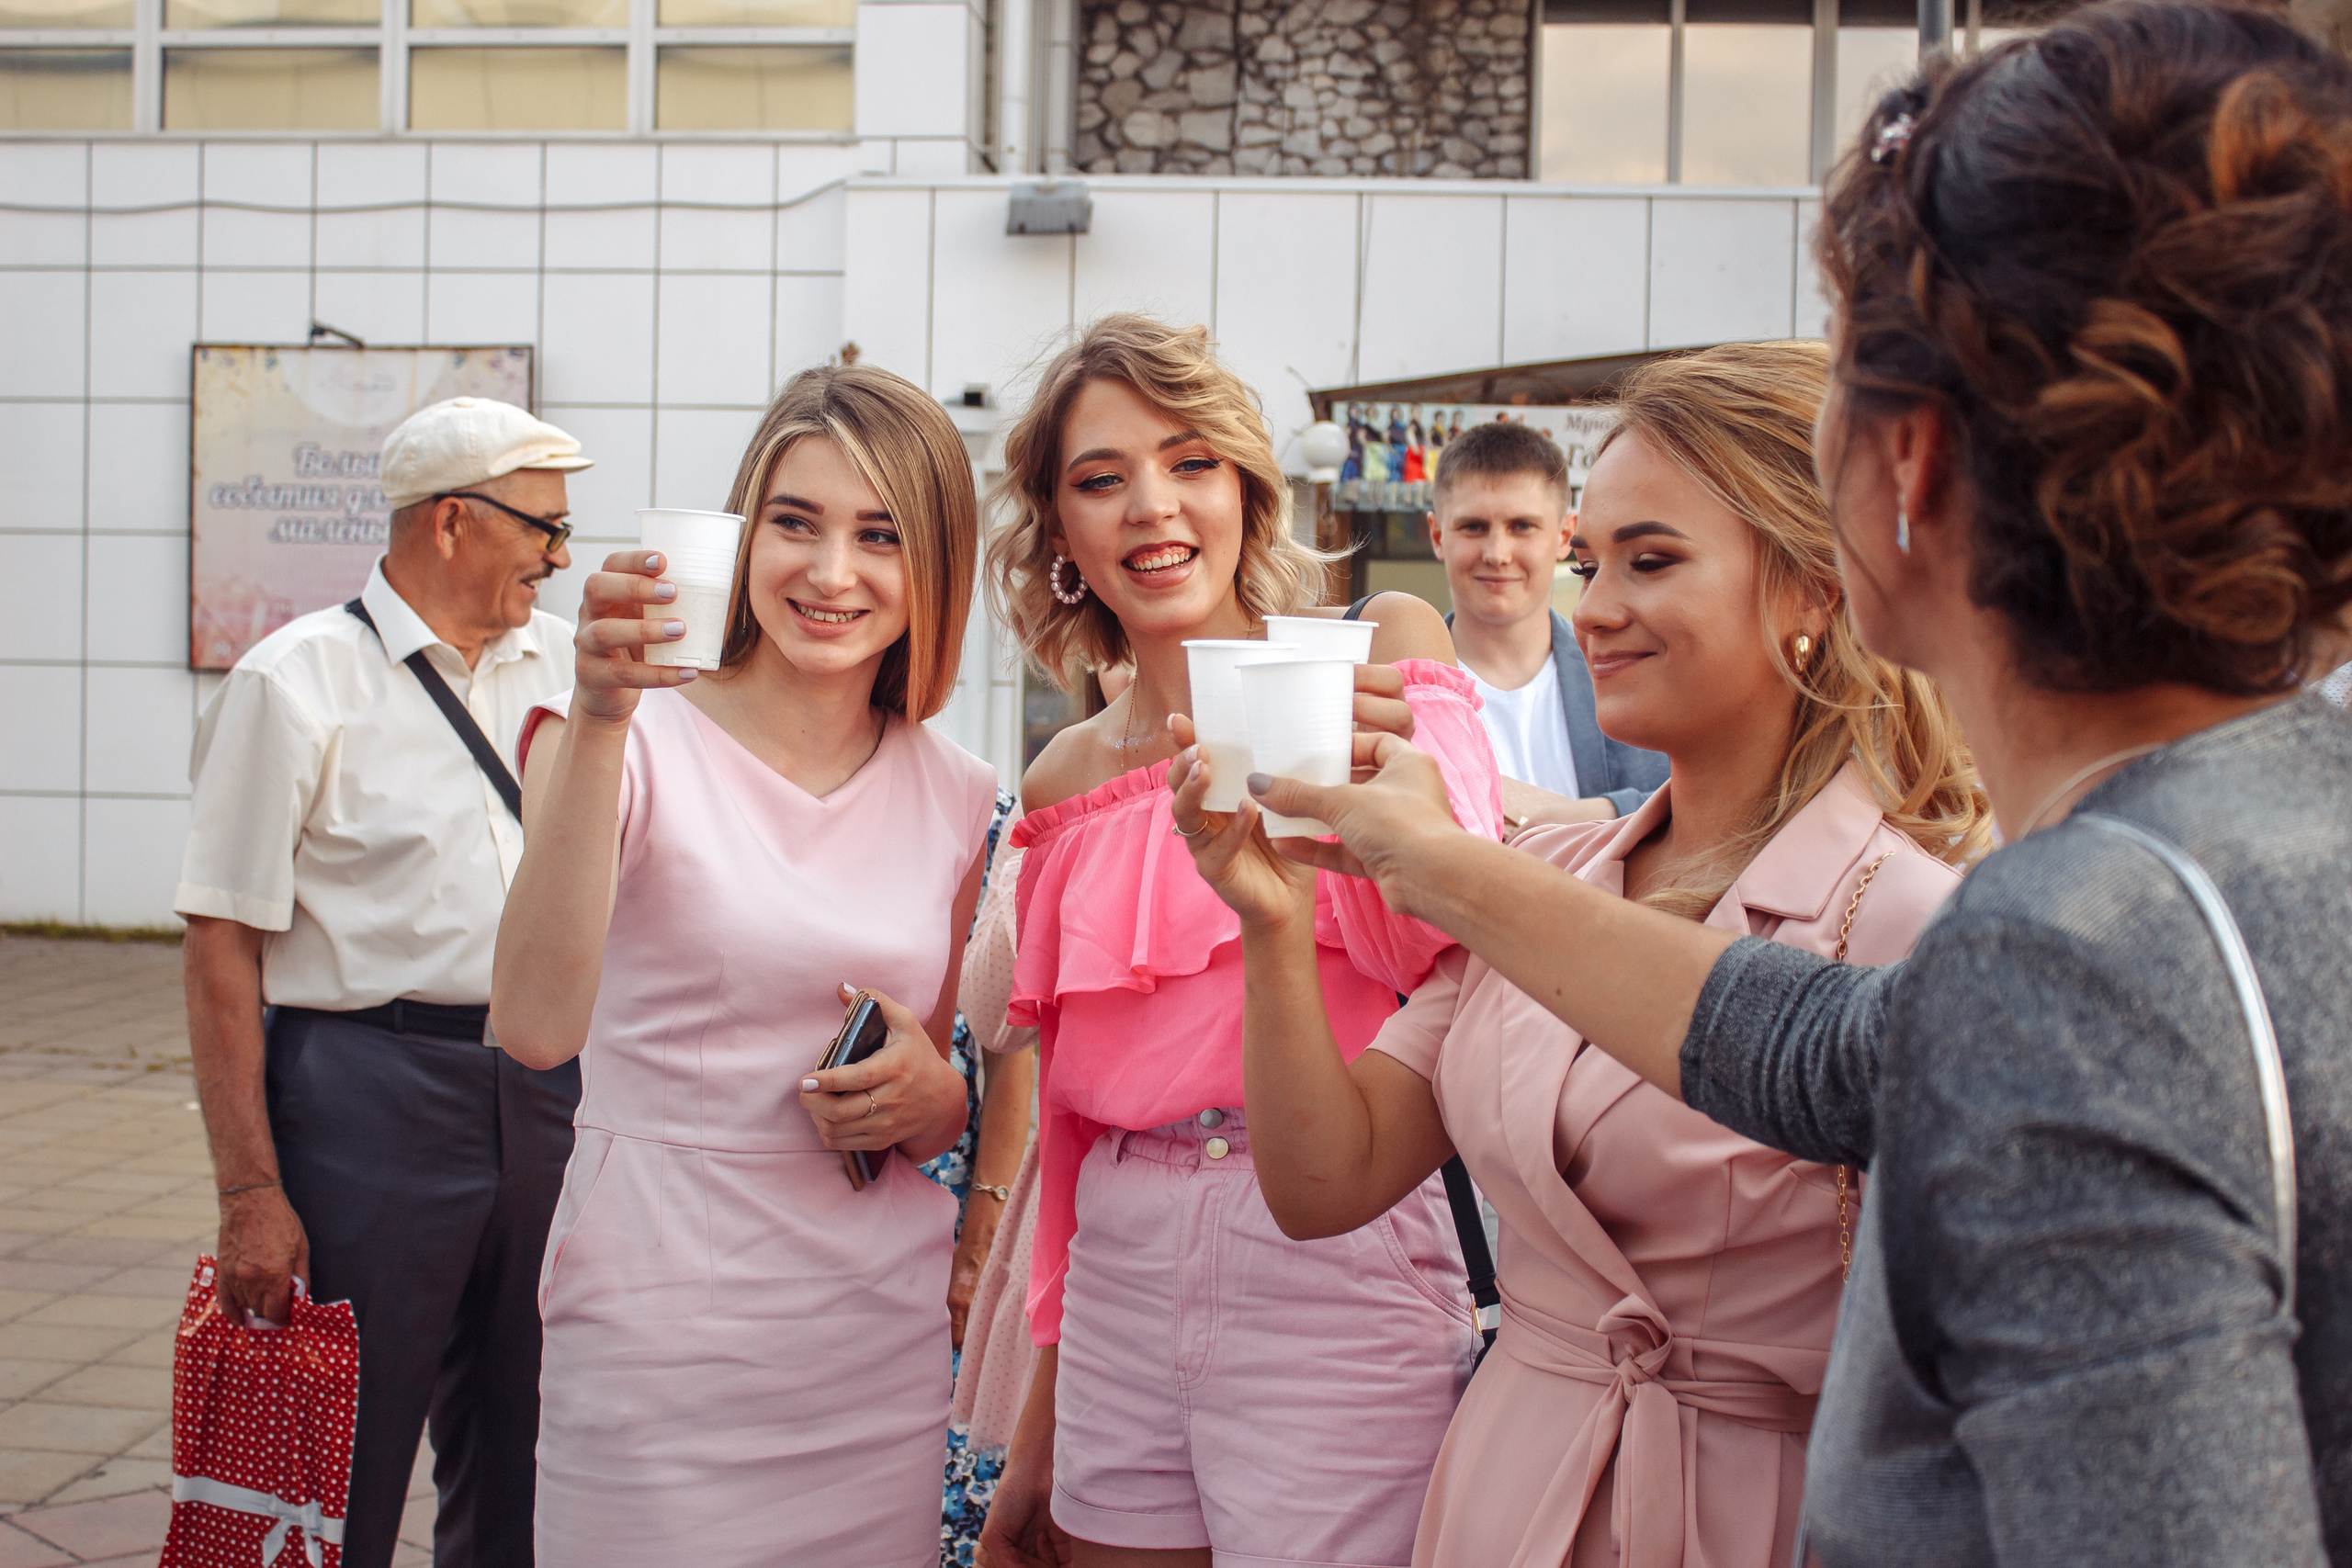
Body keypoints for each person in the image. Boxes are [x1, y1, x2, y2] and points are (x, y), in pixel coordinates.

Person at [1229, 4, 2352, 1559]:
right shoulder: (2269, 840)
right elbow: (1821, 1049)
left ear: (1913, 467)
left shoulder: (2075, 949)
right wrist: (1442, 863)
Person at [1172, 341, 1984, 1567]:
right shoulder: (1549, 882)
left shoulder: (1916, 925)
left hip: (1751, 1511)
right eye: (1591, 561)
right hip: (1507, 1485)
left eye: (1650, 561)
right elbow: (1323, 1181)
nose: (1590, 606)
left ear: (1820, 589)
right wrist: (1274, 918)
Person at [976, 314, 1503, 1568]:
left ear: (1247, 490)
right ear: (1061, 538)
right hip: (1117, 1265)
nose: (1152, 506)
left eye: (1189, 461)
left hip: (1340, 1240)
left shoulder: (1381, 663)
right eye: (1101, 479)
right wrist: (1035, 1429)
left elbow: (1468, 943)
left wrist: (1387, 782)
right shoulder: (1063, 775)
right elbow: (1068, 1131)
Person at [488, 364, 998, 1566]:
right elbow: (533, 1022)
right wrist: (604, 709)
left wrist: (942, 1100)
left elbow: (914, 1071)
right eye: (796, 522)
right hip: (661, 1333)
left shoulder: (960, 788)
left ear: (935, 564)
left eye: (879, 535)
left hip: (876, 1339)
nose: (831, 573)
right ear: (741, 531)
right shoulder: (620, 730)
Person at [176, 396, 591, 1568]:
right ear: (452, 522)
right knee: (341, 1451)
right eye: (543, 529)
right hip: (368, 1091)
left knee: (532, 1444)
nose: (561, 558)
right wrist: (251, 1192)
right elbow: (221, 951)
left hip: (553, 1087)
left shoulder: (570, 668)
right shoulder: (294, 681)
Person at [1426, 418, 1668, 828]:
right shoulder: (1402, 685)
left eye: (1522, 526)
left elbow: (1711, 804)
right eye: (1474, 527)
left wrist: (1604, 811)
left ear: (1564, 536)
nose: (1497, 553)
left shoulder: (1632, 669)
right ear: (1436, 536)